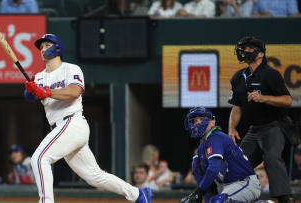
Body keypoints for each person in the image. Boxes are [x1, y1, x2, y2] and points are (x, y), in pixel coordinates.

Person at [23, 34, 152, 203]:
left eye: (47, 45)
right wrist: (31, 92)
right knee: (94, 177)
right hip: (59, 128)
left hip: (72, 123)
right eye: (41, 47)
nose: (43, 49)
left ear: (57, 47)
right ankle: (138, 194)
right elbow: (31, 97)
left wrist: (47, 92)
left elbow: (74, 91)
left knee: (39, 158)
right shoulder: (39, 76)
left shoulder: (71, 69)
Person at [228, 36, 294, 202]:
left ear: (260, 54)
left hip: (274, 125)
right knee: (237, 161)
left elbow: (287, 100)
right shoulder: (237, 77)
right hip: (254, 129)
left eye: (250, 48)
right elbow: (236, 107)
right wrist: (231, 128)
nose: (245, 51)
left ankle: (284, 199)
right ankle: (239, 197)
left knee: (271, 157)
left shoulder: (271, 74)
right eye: (244, 48)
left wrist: (263, 98)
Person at [179, 107, 260, 203]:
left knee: (219, 201)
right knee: (196, 162)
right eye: (195, 120)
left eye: (201, 119)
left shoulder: (216, 136)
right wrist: (201, 195)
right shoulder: (201, 148)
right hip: (225, 187)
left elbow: (213, 168)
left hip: (244, 182)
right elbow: (204, 178)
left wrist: (198, 192)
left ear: (212, 122)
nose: (197, 123)